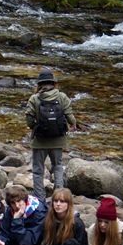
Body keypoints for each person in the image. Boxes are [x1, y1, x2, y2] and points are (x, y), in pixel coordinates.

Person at [25, 69, 77, 203]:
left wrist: (34, 128)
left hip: (39, 141)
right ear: (54, 83)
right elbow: (70, 117)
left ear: (40, 84)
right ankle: (58, 196)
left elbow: (29, 119)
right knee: (58, 167)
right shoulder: (62, 97)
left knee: (38, 171)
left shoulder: (34, 98)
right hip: (57, 140)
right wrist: (73, 125)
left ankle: (39, 199)